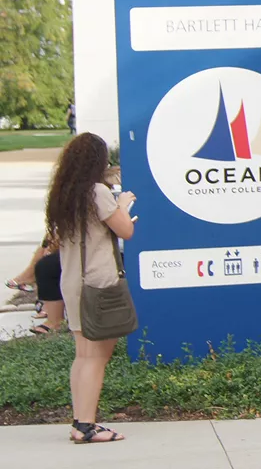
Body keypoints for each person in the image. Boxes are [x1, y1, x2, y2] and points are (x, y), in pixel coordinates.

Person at [47, 132, 136, 444]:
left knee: (83, 354)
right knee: (97, 356)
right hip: (98, 283)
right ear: (97, 162)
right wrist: (122, 204)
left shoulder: (66, 194)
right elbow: (125, 230)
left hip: (73, 281)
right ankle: (87, 426)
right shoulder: (98, 192)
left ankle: (80, 422)